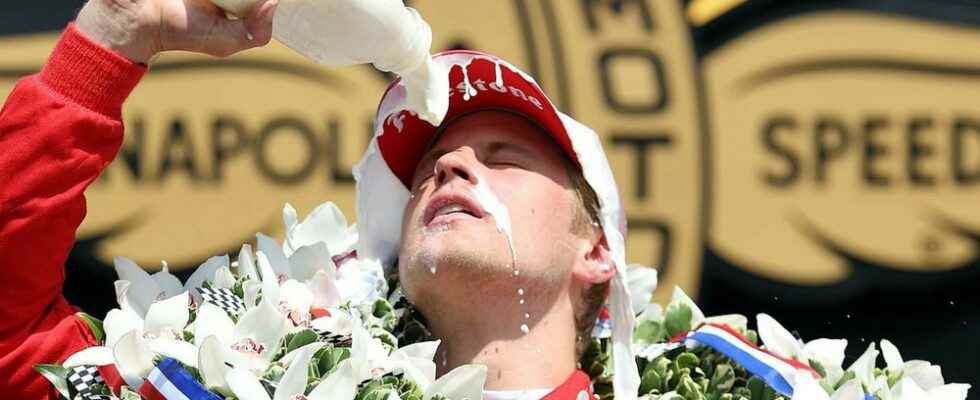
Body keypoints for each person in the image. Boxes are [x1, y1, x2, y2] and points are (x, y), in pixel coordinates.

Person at [0, 0, 641, 399]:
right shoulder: (234, 386)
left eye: (505, 157)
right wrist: (115, 28)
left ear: (596, 251)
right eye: (424, 170)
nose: (450, 163)